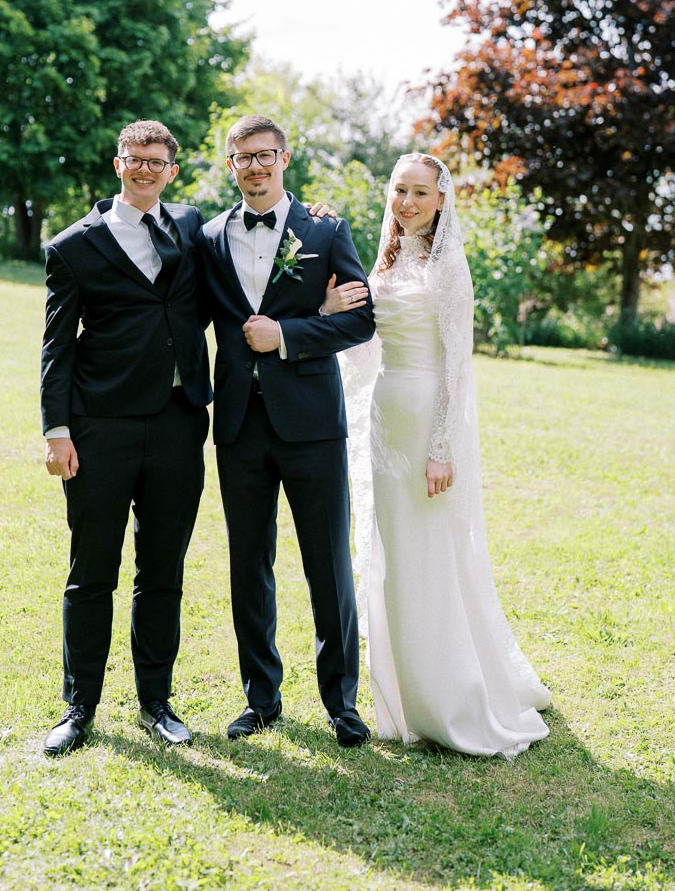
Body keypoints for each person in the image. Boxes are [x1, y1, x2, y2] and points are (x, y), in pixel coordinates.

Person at [328, 153, 551, 757]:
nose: (405, 203)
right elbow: (364, 346)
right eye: (399, 190)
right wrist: (330, 314)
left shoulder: (449, 265)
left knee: (429, 554)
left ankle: (449, 695)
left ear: (440, 200)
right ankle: (400, 691)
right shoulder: (386, 260)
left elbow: (457, 363)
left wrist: (441, 448)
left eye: (419, 193)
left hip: (428, 416)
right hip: (385, 416)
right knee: (391, 550)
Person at [196, 115, 376, 747]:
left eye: (265, 155)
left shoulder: (324, 230)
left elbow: (361, 322)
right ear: (229, 165)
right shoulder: (209, 235)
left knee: (328, 565)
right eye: (243, 157)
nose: (255, 166)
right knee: (249, 565)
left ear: (284, 158)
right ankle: (261, 699)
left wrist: (291, 335)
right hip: (239, 426)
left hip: (313, 427)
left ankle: (342, 703)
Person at [40, 120, 211, 756]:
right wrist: (56, 429)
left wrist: (313, 216)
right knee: (92, 573)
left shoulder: (191, 226)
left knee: (162, 570)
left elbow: (257, 242)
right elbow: (56, 346)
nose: (145, 169)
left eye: (157, 161)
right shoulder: (73, 246)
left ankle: (156, 704)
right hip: (100, 427)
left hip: (177, 423)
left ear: (171, 169)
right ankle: (78, 708)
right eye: (134, 159)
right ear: (118, 164)